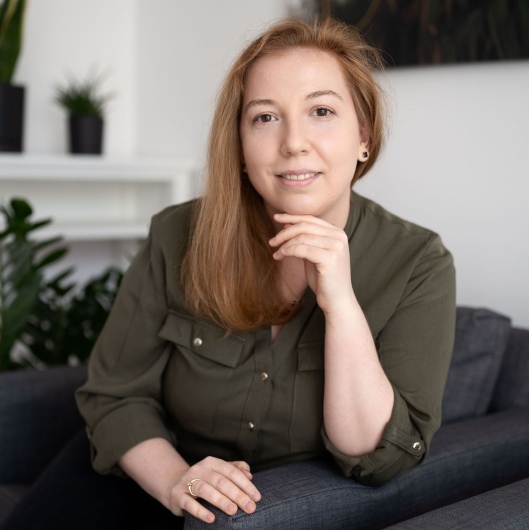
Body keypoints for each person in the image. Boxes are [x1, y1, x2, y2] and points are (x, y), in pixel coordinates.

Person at [0, 16, 456, 530]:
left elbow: (377, 456)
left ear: (363, 137)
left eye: (322, 111)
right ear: (239, 145)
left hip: (264, 513)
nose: (294, 143)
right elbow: (114, 395)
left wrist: (341, 306)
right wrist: (177, 479)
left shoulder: (419, 263)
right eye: (265, 117)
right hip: (148, 472)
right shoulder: (177, 234)